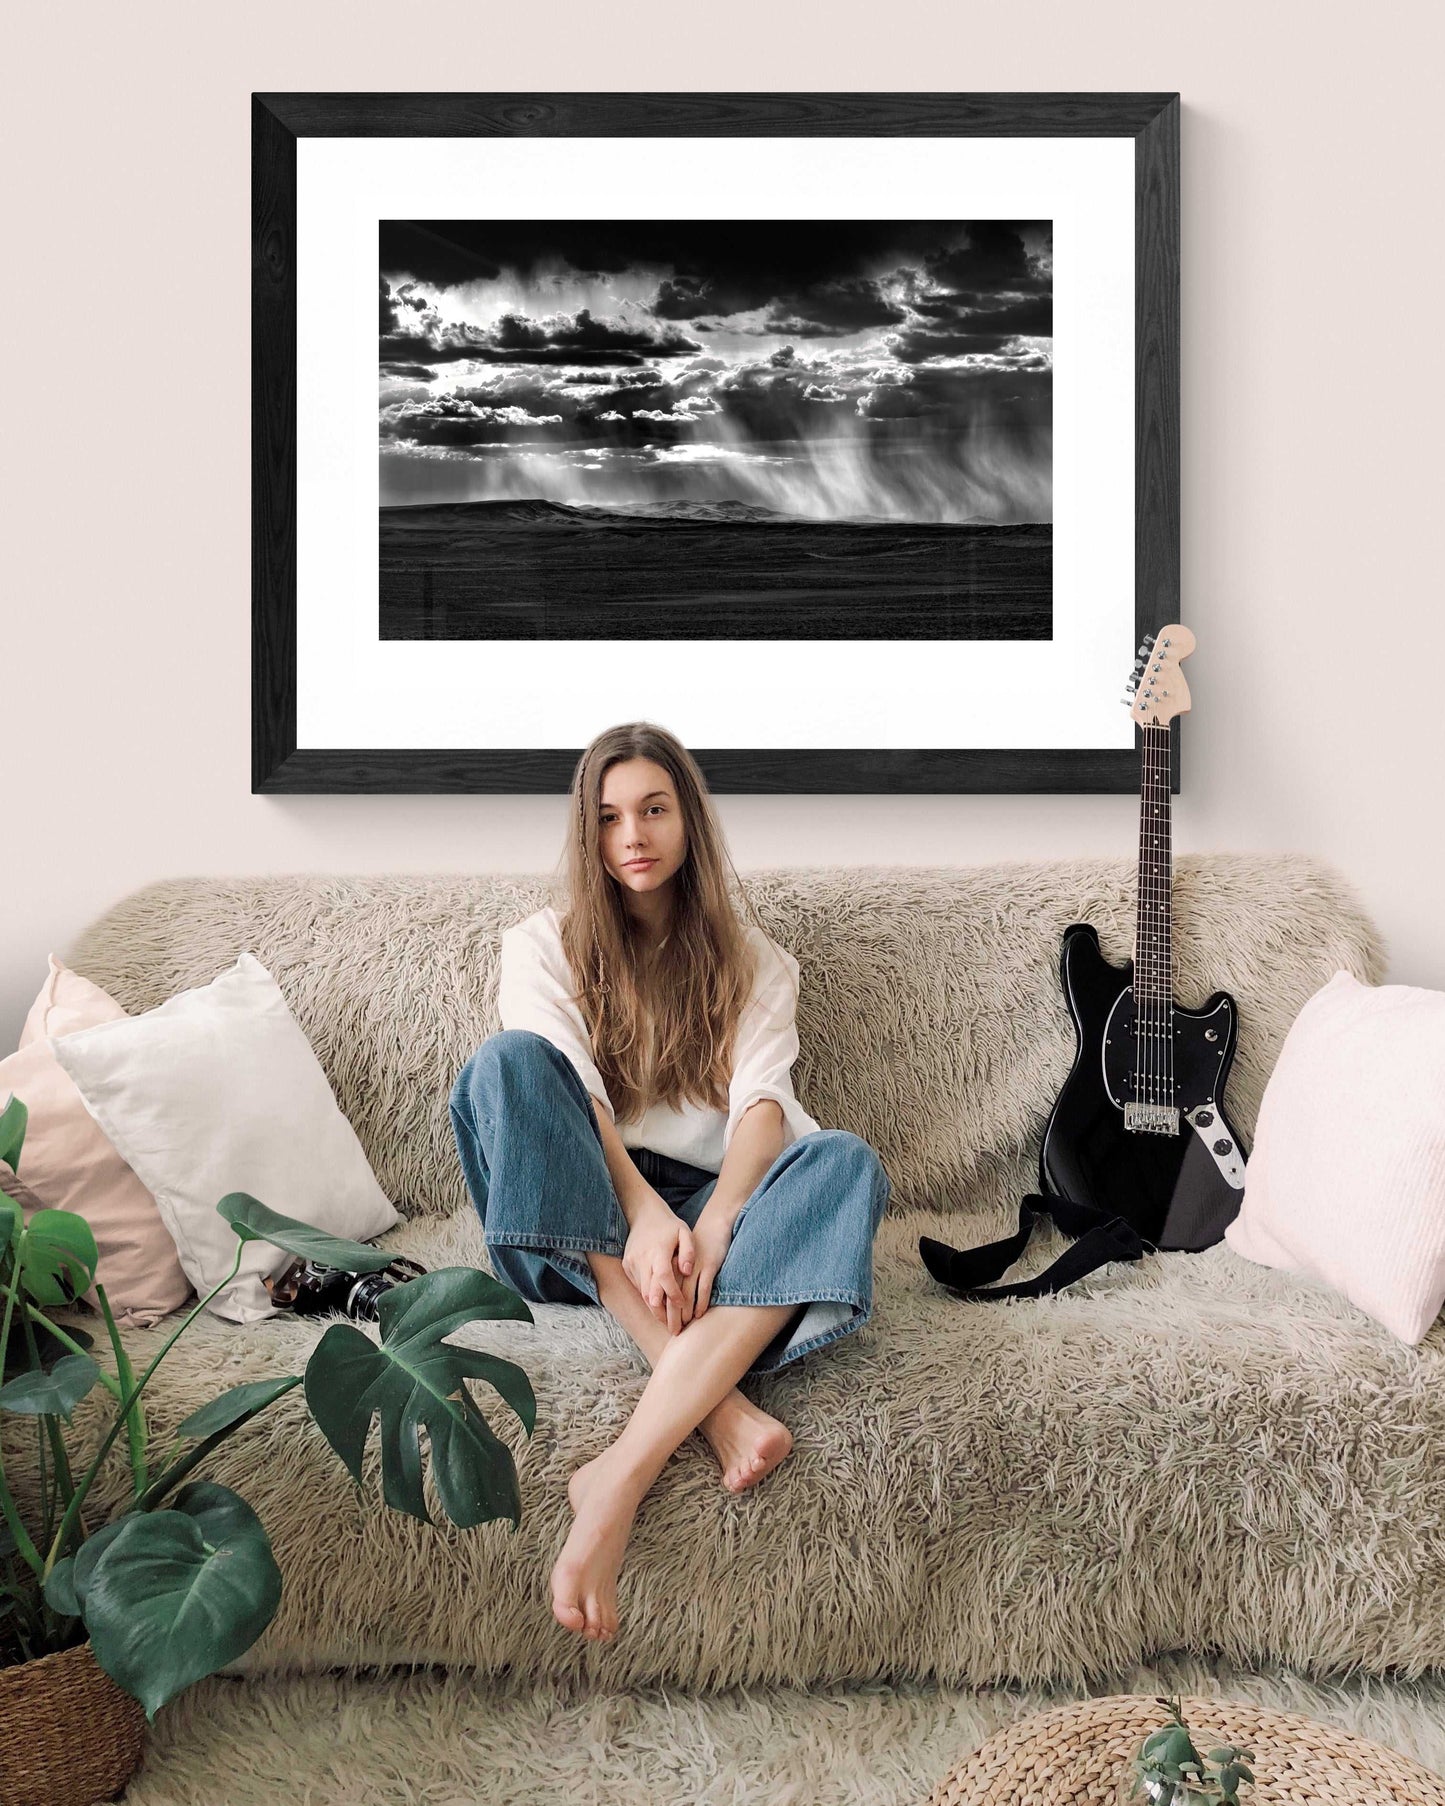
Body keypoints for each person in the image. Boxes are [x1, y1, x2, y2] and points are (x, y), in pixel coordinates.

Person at [449, 721, 891, 1646]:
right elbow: (569, 1089)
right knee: (508, 1064)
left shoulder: (755, 960)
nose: (633, 837)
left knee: (844, 1160)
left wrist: (720, 1222)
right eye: (609, 818)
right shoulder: (540, 945)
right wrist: (642, 1220)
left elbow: (764, 1105)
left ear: (688, 818)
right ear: (589, 834)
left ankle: (618, 1472)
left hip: (705, 1204)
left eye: (653, 810)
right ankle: (718, 1413)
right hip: (572, 1215)